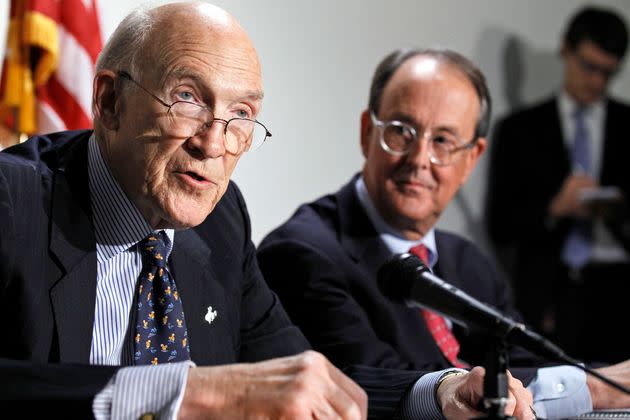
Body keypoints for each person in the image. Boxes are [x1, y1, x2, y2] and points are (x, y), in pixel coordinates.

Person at [0, 2, 535, 419]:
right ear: (109, 101)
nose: (215, 143)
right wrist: (180, 394)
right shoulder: (13, 201)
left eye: (241, 114)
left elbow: (300, 374)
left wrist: (437, 393)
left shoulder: (221, 220)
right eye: (188, 97)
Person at [257, 47, 630, 419]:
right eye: (402, 132)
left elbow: (526, 361)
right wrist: (591, 388)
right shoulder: (302, 252)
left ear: (471, 158)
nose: (419, 159)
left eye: (443, 141)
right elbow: (384, 385)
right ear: (367, 132)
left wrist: (604, 383)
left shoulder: (467, 261)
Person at [486, 6, 630, 363]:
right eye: (589, 67)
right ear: (566, 49)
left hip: (620, 289)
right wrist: (555, 208)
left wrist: (615, 208)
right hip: (551, 292)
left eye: (608, 73)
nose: (596, 81)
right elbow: (500, 224)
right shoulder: (520, 129)